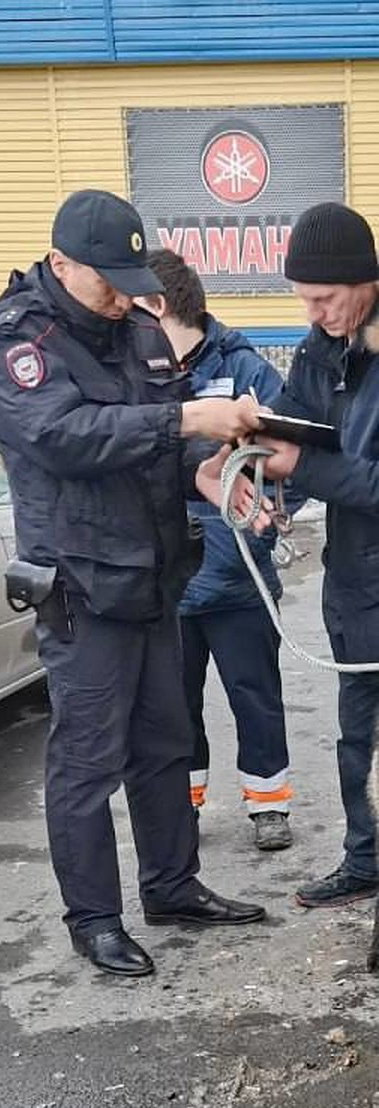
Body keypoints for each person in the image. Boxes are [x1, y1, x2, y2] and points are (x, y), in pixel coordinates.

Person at [0, 188, 268, 980]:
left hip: (151, 577)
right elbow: (63, 437)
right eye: (104, 277)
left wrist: (209, 475)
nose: (121, 292)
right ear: (60, 261)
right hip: (79, 586)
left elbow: (162, 444)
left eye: (127, 276)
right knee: (87, 761)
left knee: (165, 745)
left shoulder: (139, 330)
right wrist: (185, 425)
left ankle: (172, 887)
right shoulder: (19, 341)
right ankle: (95, 920)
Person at [138, 249, 295, 852]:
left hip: (237, 578)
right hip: (167, 582)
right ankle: (185, 802)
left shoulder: (246, 371)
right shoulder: (138, 371)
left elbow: (289, 460)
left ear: (159, 305)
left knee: (255, 696)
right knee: (174, 707)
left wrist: (270, 516)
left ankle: (268, 802)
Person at [257, 201, 379, 907]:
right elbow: (298, 431)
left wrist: (300, 465)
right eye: (303, 298)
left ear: (363, 281)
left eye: (325, 298)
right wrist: (271, 486)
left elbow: (323, 461)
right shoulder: (322, 348)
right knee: (355, 740)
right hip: (355, 591)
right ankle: (365, 862)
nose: (314, 312)